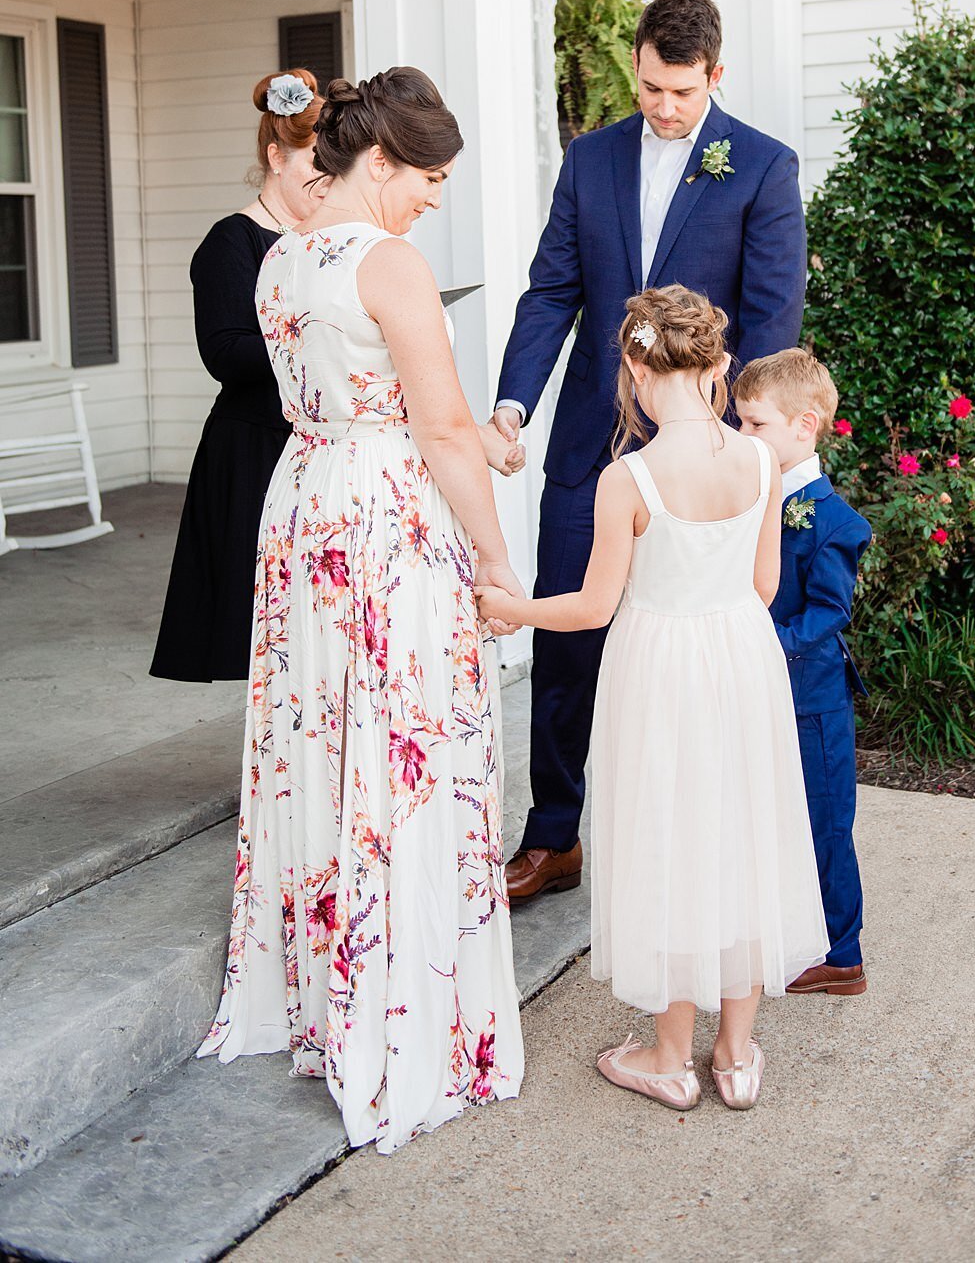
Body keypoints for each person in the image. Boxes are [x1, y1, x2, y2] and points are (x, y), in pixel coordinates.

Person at [199, 67, 525, 1151]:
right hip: (385, 523)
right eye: (428, 176)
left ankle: (328, 1001)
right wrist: (493, 557)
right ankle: (399, 1011)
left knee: (324, 742)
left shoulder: (282, 255)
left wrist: (473, 433)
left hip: (305, 507)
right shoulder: (389, 261)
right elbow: (431, 429)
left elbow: (361, 401)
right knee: (402, 746)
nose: (435, 196)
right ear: (379, 160)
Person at [492, 0, 806, 903]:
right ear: (635, 64)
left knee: (690, 645)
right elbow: (553, 292)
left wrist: (732, 441)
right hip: (590, 438)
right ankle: (555, 837)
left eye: (681, 91)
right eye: (651, 87)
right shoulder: (588, 160)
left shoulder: (761, 167)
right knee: (567, 634)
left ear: (716, 75)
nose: (664, 108)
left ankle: (683, 851)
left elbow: (773, 320)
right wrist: (514, 403)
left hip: (698, 451)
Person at [479, 287, 827, 1110]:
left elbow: (593, 609)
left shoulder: (625, 478)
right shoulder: (760, 460)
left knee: (672, 838)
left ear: (633, 367)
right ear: (720, 365)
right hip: (741, 657)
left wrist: (512, 609)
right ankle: (737, 1058)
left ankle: (671, 1060)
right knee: (742, 834)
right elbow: (766, 584)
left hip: (662, 667)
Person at [149, 70, 326, 683]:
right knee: (265, 632)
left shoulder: (320, 242)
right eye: (313, 164)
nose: (325, 181)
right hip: (253, 446)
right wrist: (318, 333)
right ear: (276, 157)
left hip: (315, 444)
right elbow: (224, 352)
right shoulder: (230, 241)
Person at [735, 349, 872, 995]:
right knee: (771, 815)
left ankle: (842, 953)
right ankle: (787, 929)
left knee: (824, 821)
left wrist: (764, 643)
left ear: (804, 427)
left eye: (755, 425)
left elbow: (828, 613)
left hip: (811, 699)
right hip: (761, 692)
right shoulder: (747, 499)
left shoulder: (834, 523)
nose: (743, 437)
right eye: (739, 423)